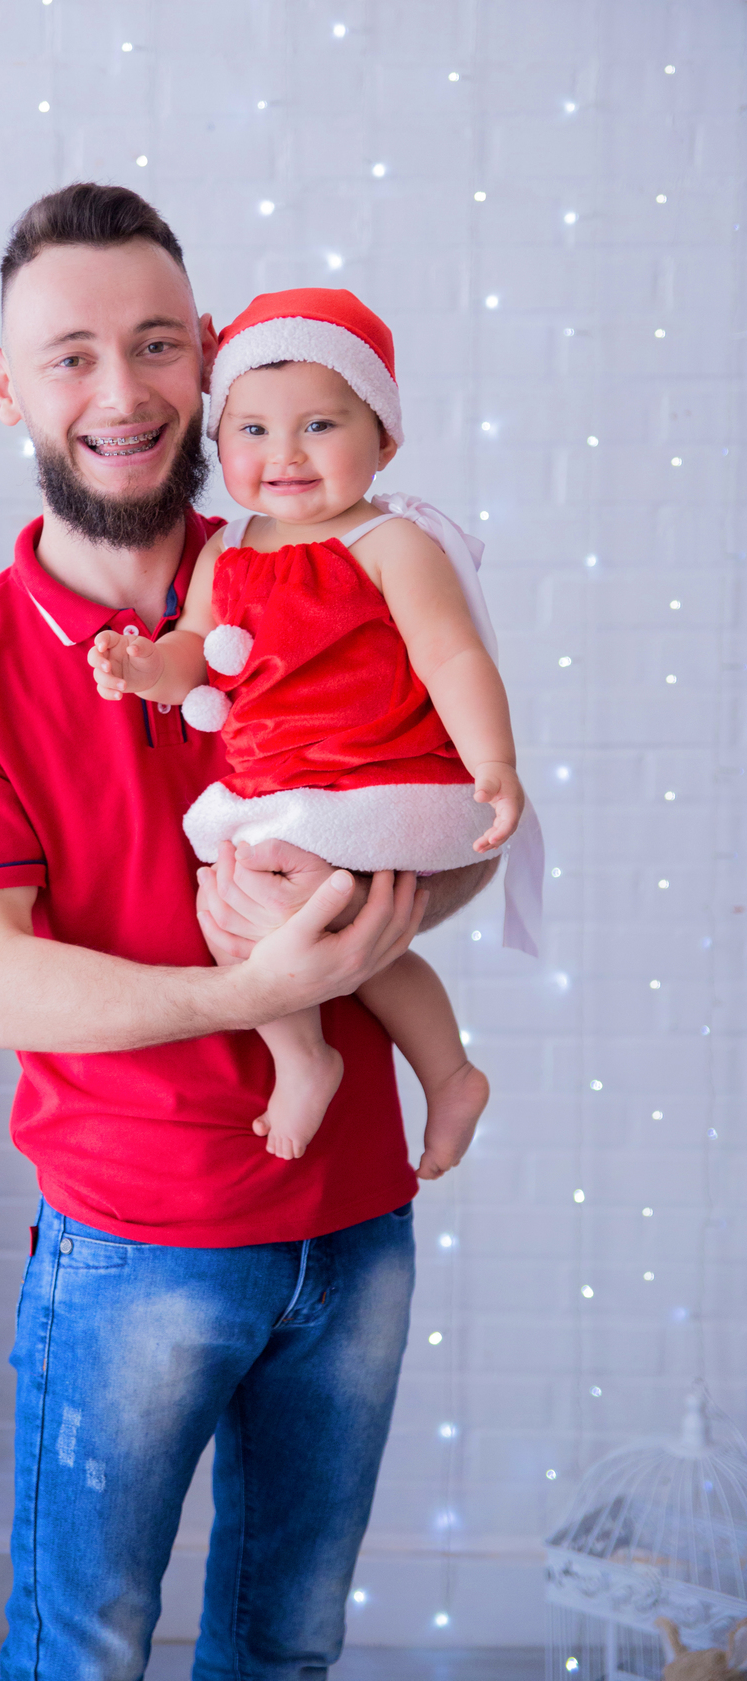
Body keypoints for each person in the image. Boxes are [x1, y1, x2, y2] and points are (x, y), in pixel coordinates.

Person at [0, 184, 461, 1680]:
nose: (123, 392)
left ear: (210, 357)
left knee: (289, 1647)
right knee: (87, 1652)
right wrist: (265, 989)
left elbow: (456, 819)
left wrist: (366, 913)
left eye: (155, 344)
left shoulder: (325, 562)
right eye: (70, 355)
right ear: (6, 385)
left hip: (358, 1229)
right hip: (135, 1245)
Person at [88, 287, 536, 1163]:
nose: (284, 454)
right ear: (218, 442)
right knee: (234, 915)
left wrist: (496, 762)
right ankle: (321, 1056)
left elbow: (453, 658)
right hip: (281, 796)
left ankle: (424, 1070)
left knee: (292, 914)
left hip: (379, 782)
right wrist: (149, 669)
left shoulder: (392, 544)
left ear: (386, 441)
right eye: (252, 430)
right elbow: (194, 650)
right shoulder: (230, 551)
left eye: (320, 427)